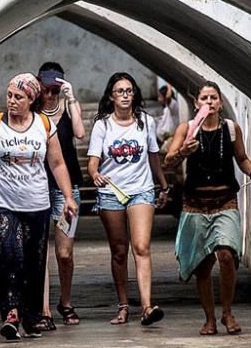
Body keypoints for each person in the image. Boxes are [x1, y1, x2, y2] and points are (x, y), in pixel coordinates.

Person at [0, 73, 78, 342]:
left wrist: (69, 197)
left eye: (18, 97)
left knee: (34, 262)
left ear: (31, 99)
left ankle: (30, 316)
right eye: (9, 95)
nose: (12, 101)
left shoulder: (43, 124)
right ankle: (11, 314)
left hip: (36, 204)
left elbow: (58, 164)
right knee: (10, 256)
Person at [163, 80, 251, 336]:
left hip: (225, 201)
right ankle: (209, 318)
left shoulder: (231, 129)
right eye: (204, 98)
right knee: (203, 263)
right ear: (196, 103)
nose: (209, 102)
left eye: (213, 98)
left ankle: (228, 313)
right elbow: (169, 162)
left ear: (220, 103)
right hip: (195, 204)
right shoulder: (186, 129)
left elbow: (241, 158)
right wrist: (184, 151)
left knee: (227, 256)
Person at [87, 72, 170, 326]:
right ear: (111, 96)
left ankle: (146, 306)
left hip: (141, 190)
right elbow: (93, 162)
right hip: (111, 193)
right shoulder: (102, 125)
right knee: (119, 251)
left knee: (142, 247)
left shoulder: (145, 121)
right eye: (119, 91)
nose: (124, 95)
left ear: (134, 95)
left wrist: (163, 185)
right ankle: (123, 306)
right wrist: (95, 174)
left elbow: (154, 156)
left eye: (129, 91)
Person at [35, 62, 85, 331]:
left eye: (55, 89)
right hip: (38, 188)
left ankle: (65, 302)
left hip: (68, 190)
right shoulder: (32, 113)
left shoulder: (67, 106)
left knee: (64, 253)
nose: (51, 95)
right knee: (40, 252)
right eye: (47, 89)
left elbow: (79, 132)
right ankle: (43, 309)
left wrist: (71, 97)